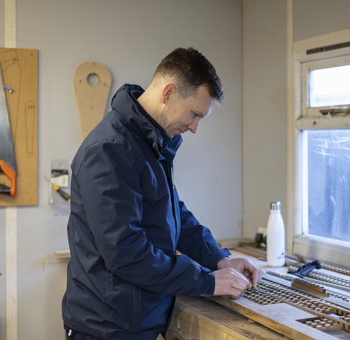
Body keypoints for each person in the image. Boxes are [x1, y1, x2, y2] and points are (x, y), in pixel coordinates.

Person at [62, 47, 263, 340]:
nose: (194, 127)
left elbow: (171, 213)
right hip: (107, 328)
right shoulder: (110, 150)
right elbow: (126, 253)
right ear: (168, 93)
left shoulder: (149, 145)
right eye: (194, 114)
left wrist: (219, 259)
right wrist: (207, 282)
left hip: (137, 321)